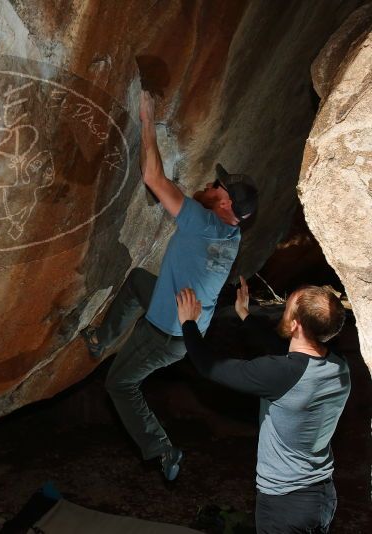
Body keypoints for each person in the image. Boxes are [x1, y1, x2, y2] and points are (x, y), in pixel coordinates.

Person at [80, 90, 258, 480]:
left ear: (225, 206)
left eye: (218, 187)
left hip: (166, 333)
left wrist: (147, 119)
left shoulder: (204, 223)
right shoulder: (233, 232)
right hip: (182, 318)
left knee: (120, 385)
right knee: (138, 282)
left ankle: (163, 450)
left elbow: (152, 177)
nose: (211, 185)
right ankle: (100, 339)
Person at [176, 278, 350, 534]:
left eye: (288, 306)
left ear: (295, 325)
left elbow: (209, 366)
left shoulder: (281, 375)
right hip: (321, 496)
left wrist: (188, 322)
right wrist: (245, 315)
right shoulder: (339, 367)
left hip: (284, 505)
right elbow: (286, 351)